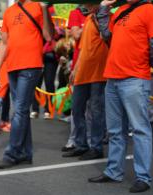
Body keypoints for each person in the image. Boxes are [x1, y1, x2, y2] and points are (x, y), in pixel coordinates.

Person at [89, 0, 153, 193]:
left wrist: (143, 65)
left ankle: (143, 177)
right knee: (115, 130)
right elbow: (107, 36)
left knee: (139, 129)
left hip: (134, 78)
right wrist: (104, 9)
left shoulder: (150, 11)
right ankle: (114, 171)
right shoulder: (121, 10)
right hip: (113, 77)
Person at [0, 0, 53, 169]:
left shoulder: (38, 6)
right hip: (12, 66)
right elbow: (4, 43)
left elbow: (48, 36)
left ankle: (12, 153)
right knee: (23, 110)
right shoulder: (9, 11)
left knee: (19, 109)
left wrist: (45, 9)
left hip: (31, 65)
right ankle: (26, 153)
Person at [63, 3, 108, 161]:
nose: (85, 5)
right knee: (77, 109)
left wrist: (100, 15)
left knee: (96, 112)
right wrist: (75, 69)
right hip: (83, 72)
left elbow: (107, 37)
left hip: (98, 72)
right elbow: (83, 47)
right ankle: (81, 145)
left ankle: (96, 147)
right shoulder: (89, 18)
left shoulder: (103, 17)